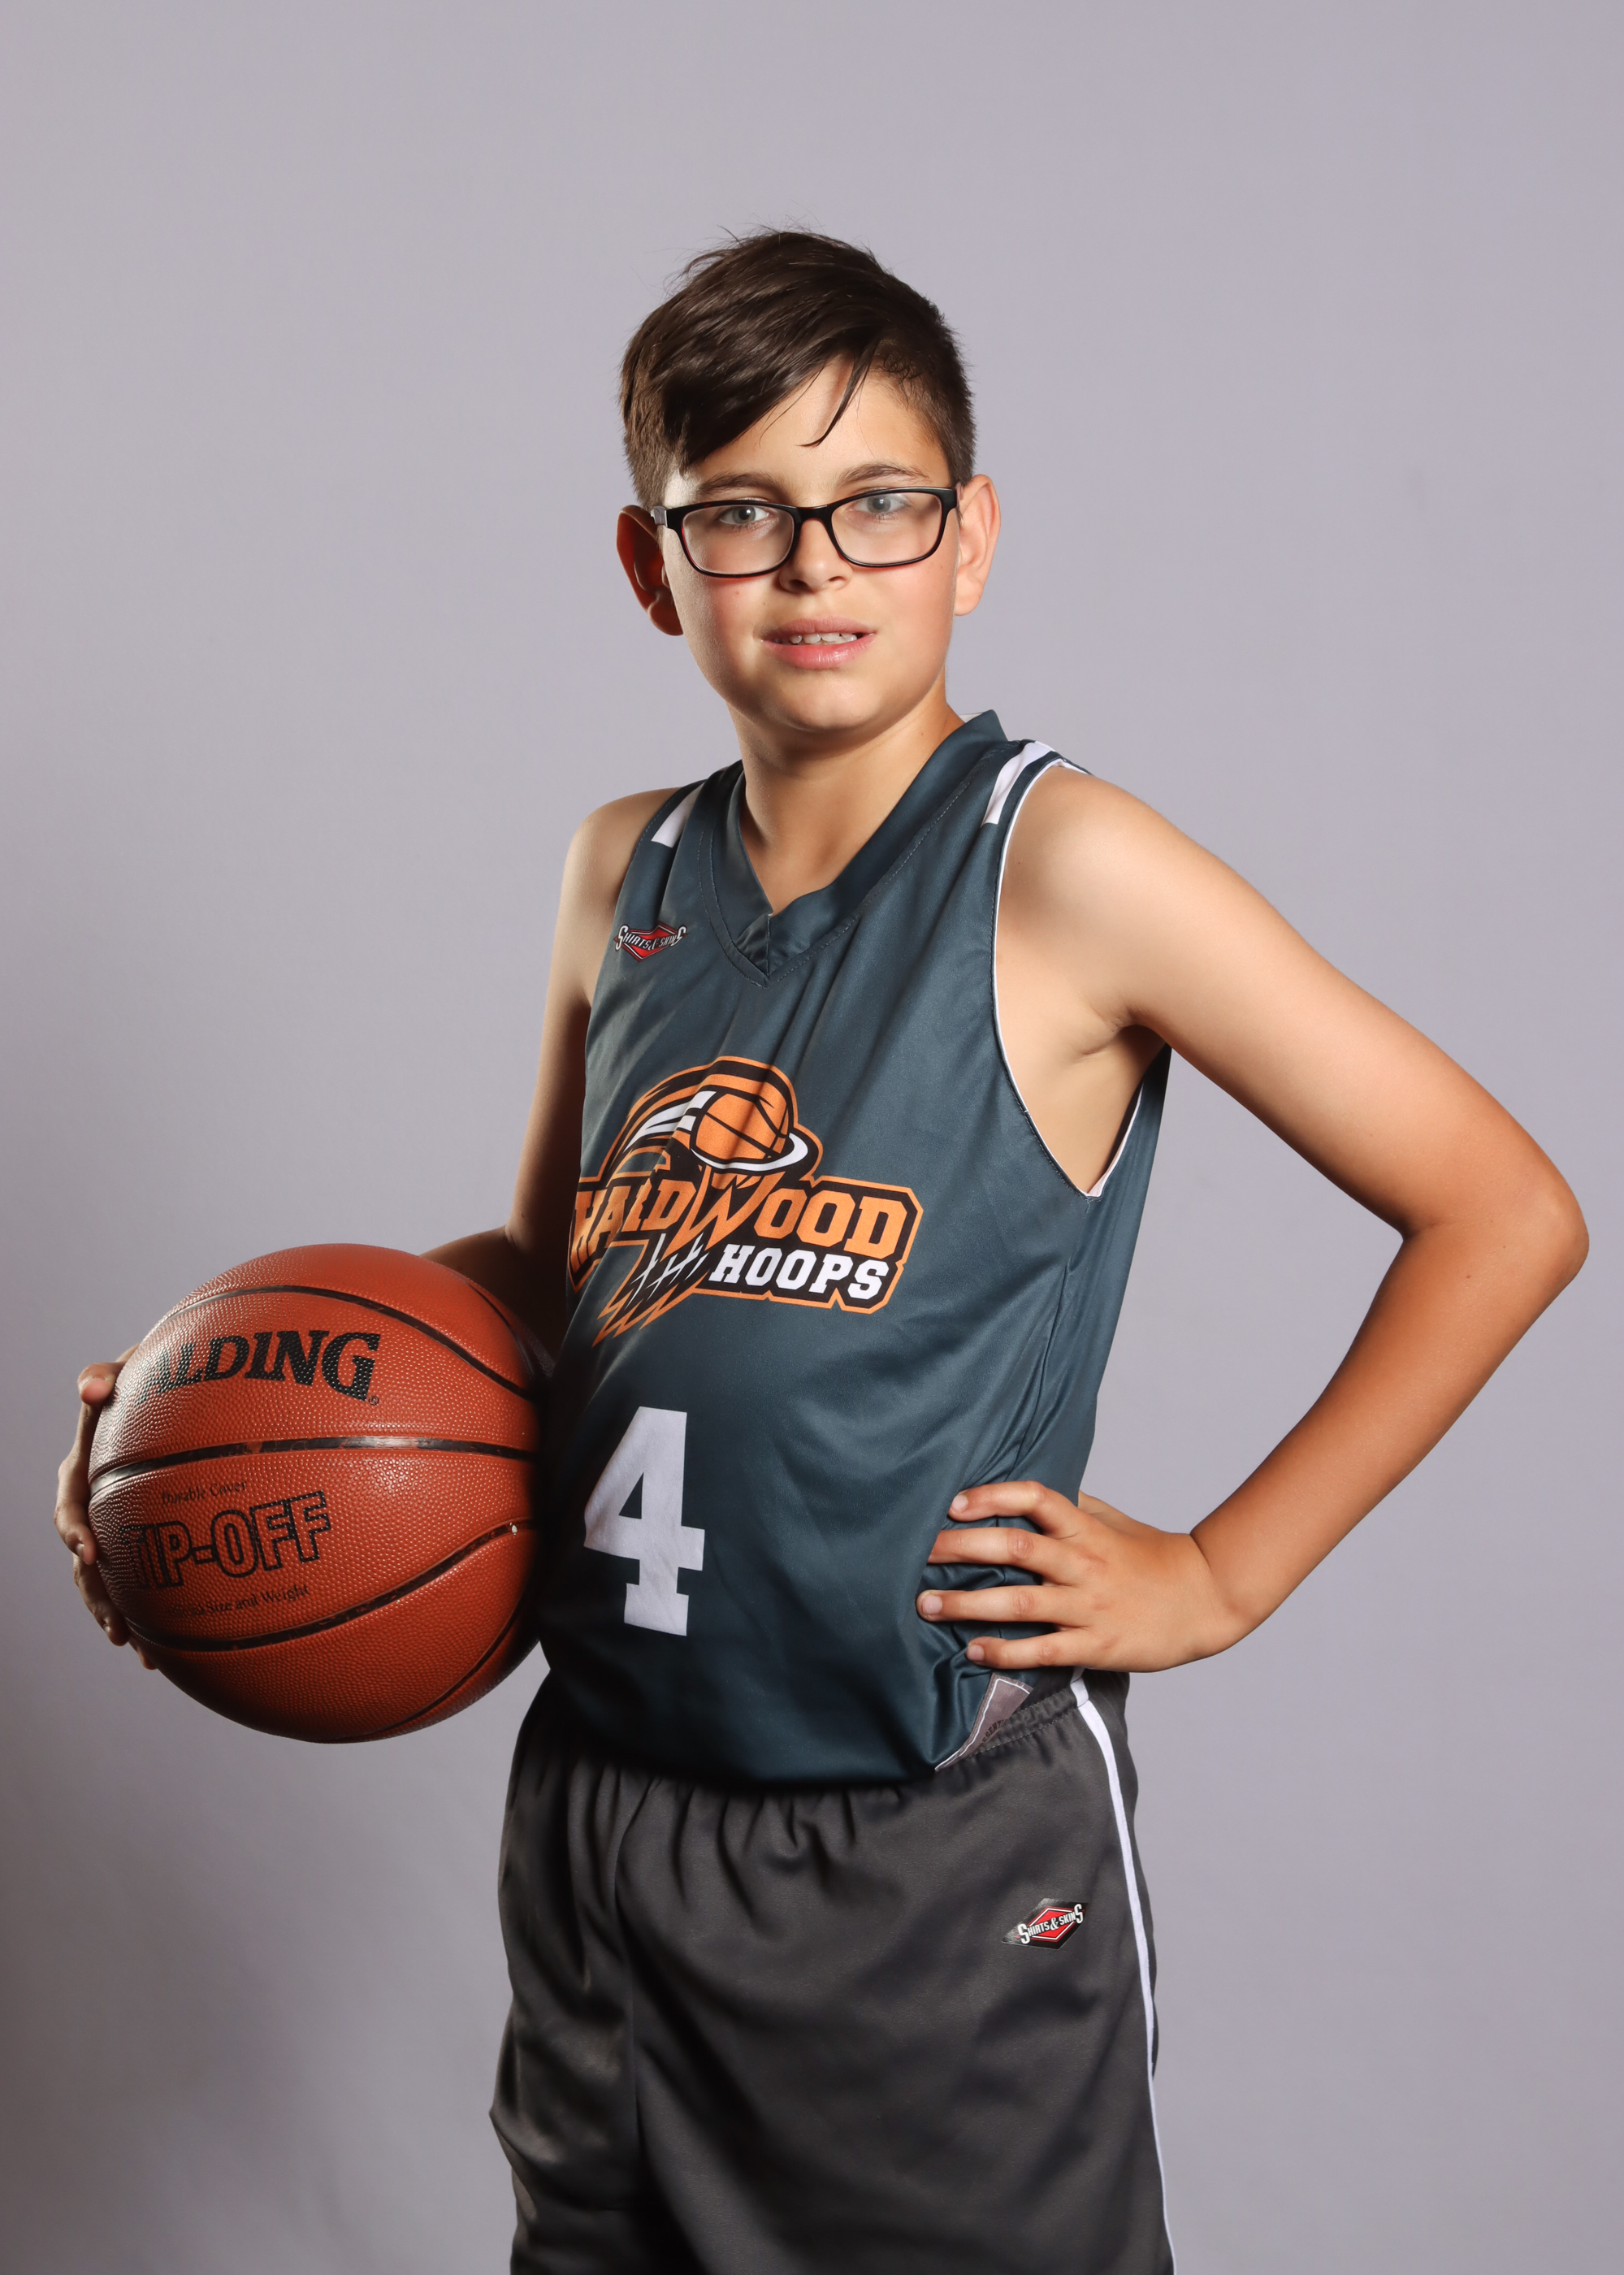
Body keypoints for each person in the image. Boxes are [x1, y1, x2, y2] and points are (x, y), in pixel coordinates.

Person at [55, 231, 1587, 2274]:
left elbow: (1502, 1206)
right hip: (607, 1804)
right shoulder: (624, 864)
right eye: (742, 513)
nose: (811, 566)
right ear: (651, 564)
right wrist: (211, 1402)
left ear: (971, 538)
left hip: (917, 1822)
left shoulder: (1062, 864)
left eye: (877, 504)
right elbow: (556, 1265)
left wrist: (1225, 1570)